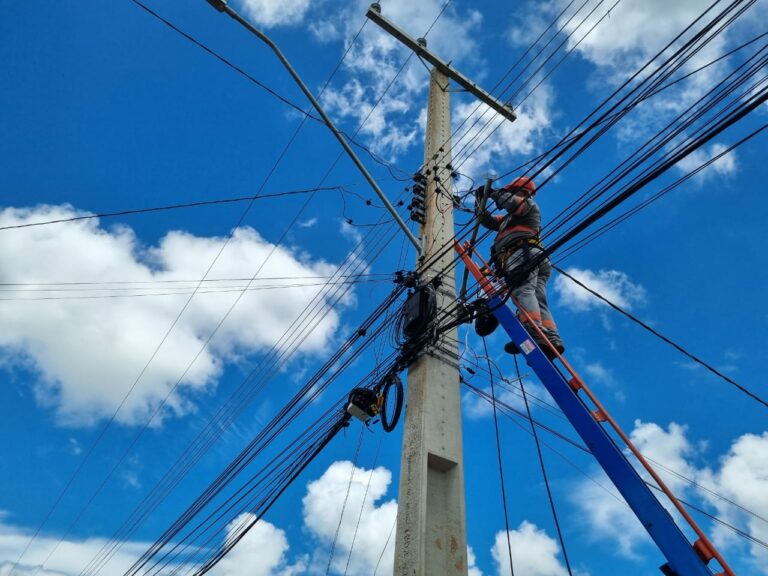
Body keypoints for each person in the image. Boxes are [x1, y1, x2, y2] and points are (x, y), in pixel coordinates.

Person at [476, 176, 565, 357]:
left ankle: (532, 331)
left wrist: (493, 193)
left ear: (521, 191)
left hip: (522, 254)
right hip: (532, 256)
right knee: (538, 297)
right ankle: (551, 339)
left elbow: (510, 202)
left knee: (524, 290)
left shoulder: (528, 205)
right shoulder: (508, 219)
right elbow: (487, 221)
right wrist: (479, 202)